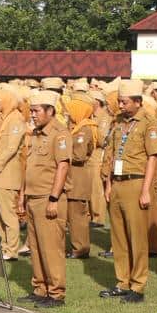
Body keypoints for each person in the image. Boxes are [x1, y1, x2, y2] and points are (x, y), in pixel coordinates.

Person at [100, 79, 157, 302]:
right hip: (117, 182)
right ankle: (122, 281)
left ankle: (138, 285)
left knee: (137, 237)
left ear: (137, 101)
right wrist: (108, 184)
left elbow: (153, 157)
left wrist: (146, 190)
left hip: (136, 182)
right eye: (119, 101)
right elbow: (110, 153)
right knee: (118, 237)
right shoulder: (118, 122)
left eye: (124, 102)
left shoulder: (149, 123)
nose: (121, 105)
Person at [18, 91, 71, 305]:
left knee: (51, 247)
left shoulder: (60, 133)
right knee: (36, 247)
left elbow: (63, 166)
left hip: (47, 197)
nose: (32, 115)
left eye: (36, 110)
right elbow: (28, 167)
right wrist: (22, 196)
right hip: (32, 197)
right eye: (31, 110)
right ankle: (40, 288)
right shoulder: (36, 133)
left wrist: (53, 198)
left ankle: (56, 292)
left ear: (50, 111)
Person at [0, 84, 27, 261]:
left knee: (8, 214)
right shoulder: (3, 119)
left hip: (6, 174)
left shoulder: (16, 120)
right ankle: (4, 246)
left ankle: (12, 249)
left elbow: (10, 148)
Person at [65, 93, 98, 259]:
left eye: (71, 110)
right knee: (71, 215)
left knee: (77, 215)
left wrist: (60, 152)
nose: (68, 114)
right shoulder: (77, 128)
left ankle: (81, 248)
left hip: (77, 177)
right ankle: (76, 246)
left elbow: (79, 155)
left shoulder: (84, 130)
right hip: (72, 176)